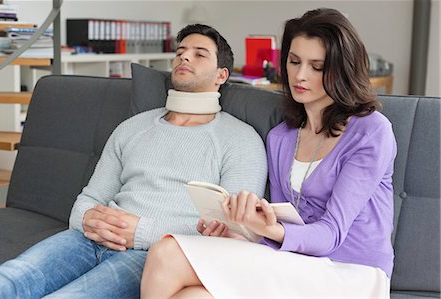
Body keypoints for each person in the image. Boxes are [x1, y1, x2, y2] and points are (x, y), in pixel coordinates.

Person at [0, 24, 267, 298]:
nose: (184, 57)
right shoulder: (133, 127)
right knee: (8, 279)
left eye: (199, 54)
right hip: (89, 238)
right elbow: (90, 198)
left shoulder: (241, 140)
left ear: (221, 75)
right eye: (180, 51)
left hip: (154, 255)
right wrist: (87, 218)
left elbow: (233, 232)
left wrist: (143, 232)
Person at [141, 8, 397, 299]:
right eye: (294, 61)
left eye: (317, 66)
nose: (300, 75)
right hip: (295, 261)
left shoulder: (371, 132)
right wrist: (243, 231)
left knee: (168, 253)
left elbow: (330, 234)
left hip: (351, 272)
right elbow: (283, 222)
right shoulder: (281, 138)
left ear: (342, 69)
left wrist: (269, 230)